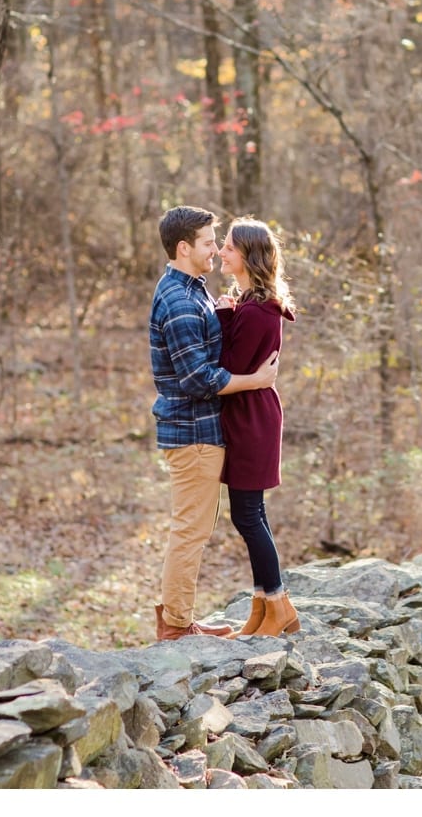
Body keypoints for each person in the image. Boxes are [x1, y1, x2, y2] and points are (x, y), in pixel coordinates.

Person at [150, 205, 278, 642]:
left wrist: (224, 312)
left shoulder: (194, 291)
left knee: (194, 529)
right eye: (209, 242)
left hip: (204, 431)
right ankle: (176, 627)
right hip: (192, 433)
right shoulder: (181, 301)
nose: (215, 250)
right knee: (190, 531)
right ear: (184, 248)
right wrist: (255, 380)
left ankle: (180, 617)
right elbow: (197, 378)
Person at [216, 217, 300, 637]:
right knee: (251, 514)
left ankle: (278, 606)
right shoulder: (250, 304)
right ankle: (264, 607)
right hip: (249, 414)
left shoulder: (256, 311)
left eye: (229, 247)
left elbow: (229, 367)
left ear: (248, 256)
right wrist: (229, 314)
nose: (221, 252)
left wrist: (222, 318)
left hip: (251, 419)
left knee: (247, 516)